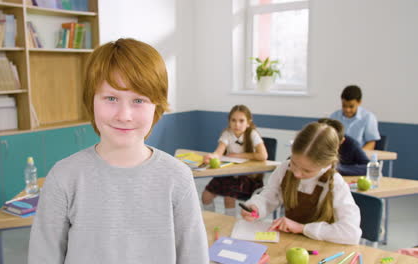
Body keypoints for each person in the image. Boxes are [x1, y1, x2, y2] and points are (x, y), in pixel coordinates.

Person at [28, 38, 209, 264]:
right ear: (91, 101)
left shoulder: (177, 177)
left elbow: (194, 256)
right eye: (111, 98)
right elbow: (42, 257)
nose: (124, 115)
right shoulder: (64, 176)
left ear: (157, 106)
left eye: (138, 100)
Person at [241, 122, 362, 245]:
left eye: (307, 170)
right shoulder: (284, 169)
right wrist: (256, 207)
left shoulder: (335, 183)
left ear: (325, 164)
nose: (297, 174)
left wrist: (302, 228)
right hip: (292, 243)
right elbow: (270, 195)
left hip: (322, 247)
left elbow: (351, 233)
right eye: (294, 163)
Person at [201, 105, 268, 216]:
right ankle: (210, 221)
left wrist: (239, 155)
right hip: (228, 174)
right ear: (229, 121)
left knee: (229, 197)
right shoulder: (227, 134)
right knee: (206, 196)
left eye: (241, 121)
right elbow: (219, 152)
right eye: (233, 120)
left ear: (248, 122)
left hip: (247, 176)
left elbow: (263, 155)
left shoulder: (252, 134)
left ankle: (230, 224)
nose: (237, 124)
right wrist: (212, 156)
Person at [330, 85, 380, 150]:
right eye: (344, 105)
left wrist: (359, 155)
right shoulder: (334, 116)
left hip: (358, 156)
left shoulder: (368, 117)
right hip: (337, 156)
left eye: (351, 106)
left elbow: (371, 143)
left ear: (359, 102)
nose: (347, 109)